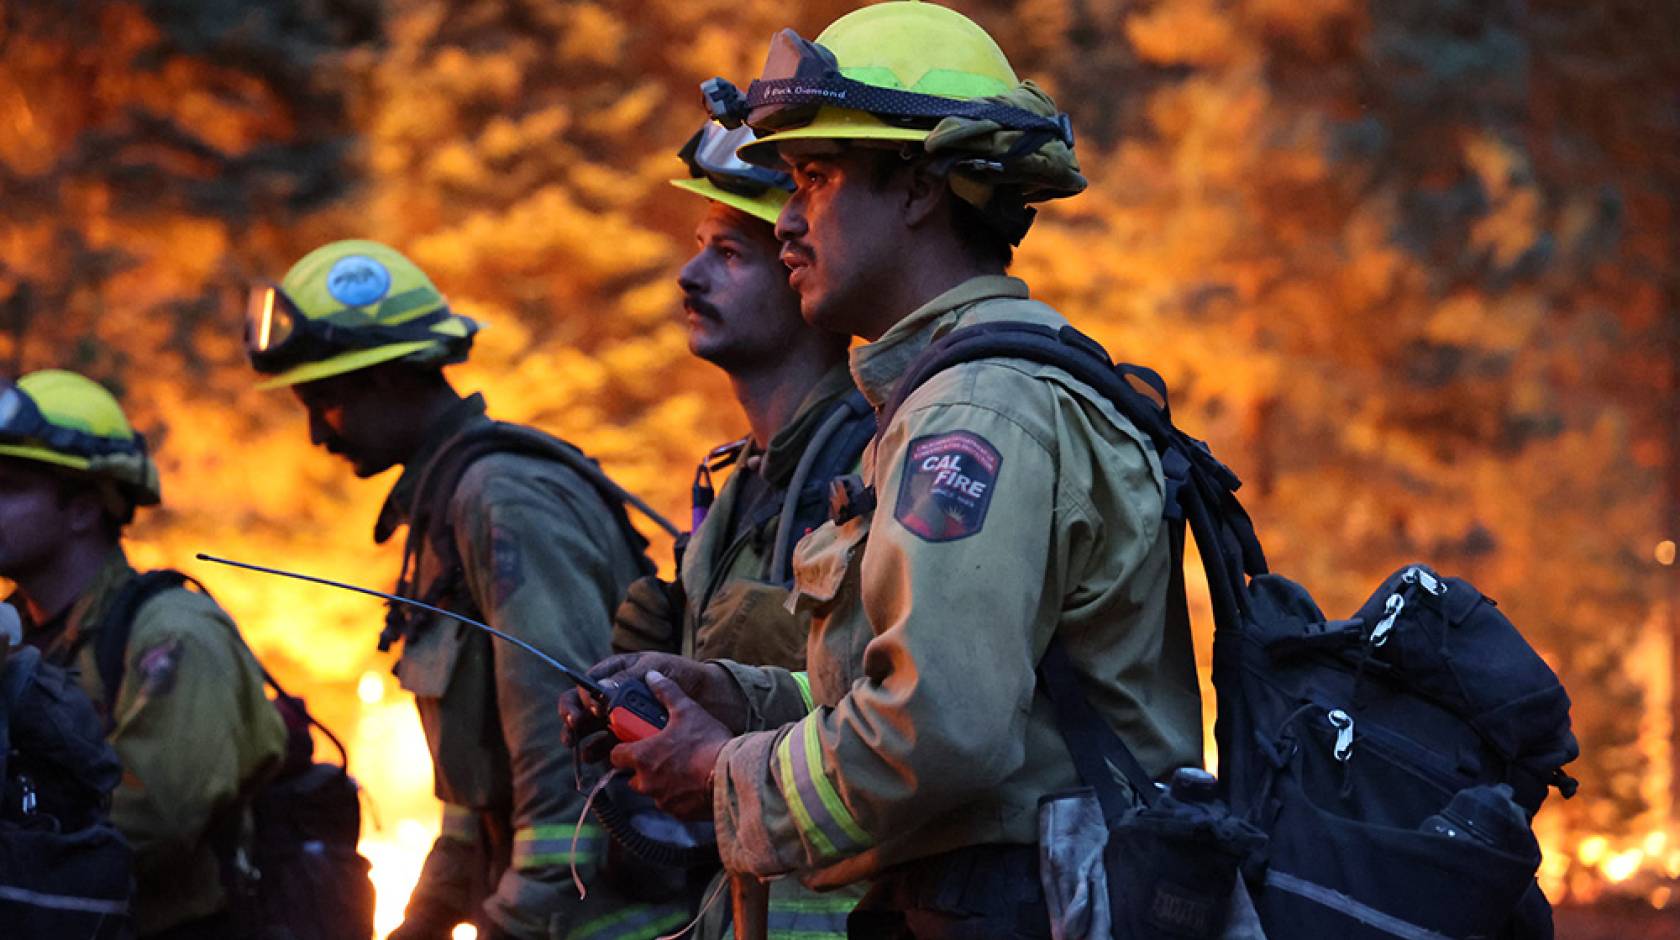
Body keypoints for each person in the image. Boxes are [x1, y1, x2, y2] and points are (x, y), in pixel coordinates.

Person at [561, 3, 1204, 936]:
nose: (785, 223)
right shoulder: (960, 393)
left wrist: (721, 771)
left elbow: (936, 732)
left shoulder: (974, 414)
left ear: (918, 191)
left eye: (814, 178)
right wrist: (740, 701)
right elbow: (983, 708)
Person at [246, 240, 658, 940]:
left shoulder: (504, 500)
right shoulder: (447, 508)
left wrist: (511, 924)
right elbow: (475, 793)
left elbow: (570, 764)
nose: (316, 432)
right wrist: (425, 922)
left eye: (326, 400)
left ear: (385, 378)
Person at [602, 120, 873, 939]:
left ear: (800, 265)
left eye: (728, 253)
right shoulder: (738, 488)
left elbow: (889, 722)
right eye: (696, 245)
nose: (688, 275)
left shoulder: (870, 465)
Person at [0, 369, 287, 939]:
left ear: (83, 509)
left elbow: (154, 821)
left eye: (7, 486)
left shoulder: (173, 632)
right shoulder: (17, 636)